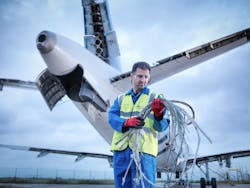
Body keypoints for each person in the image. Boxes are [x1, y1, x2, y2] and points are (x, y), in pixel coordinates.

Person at [108, 61, 170, 187]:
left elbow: (162, 126)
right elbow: (111, 117)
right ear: (132, 76)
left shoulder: (156, 98)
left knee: (144, 185)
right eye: (140, 76)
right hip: (121, 151)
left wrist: (159, 115)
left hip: (144, 151)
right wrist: (126, 122)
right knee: (122, 185)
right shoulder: (121, 98)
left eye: (146, 77)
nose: (143, 80)